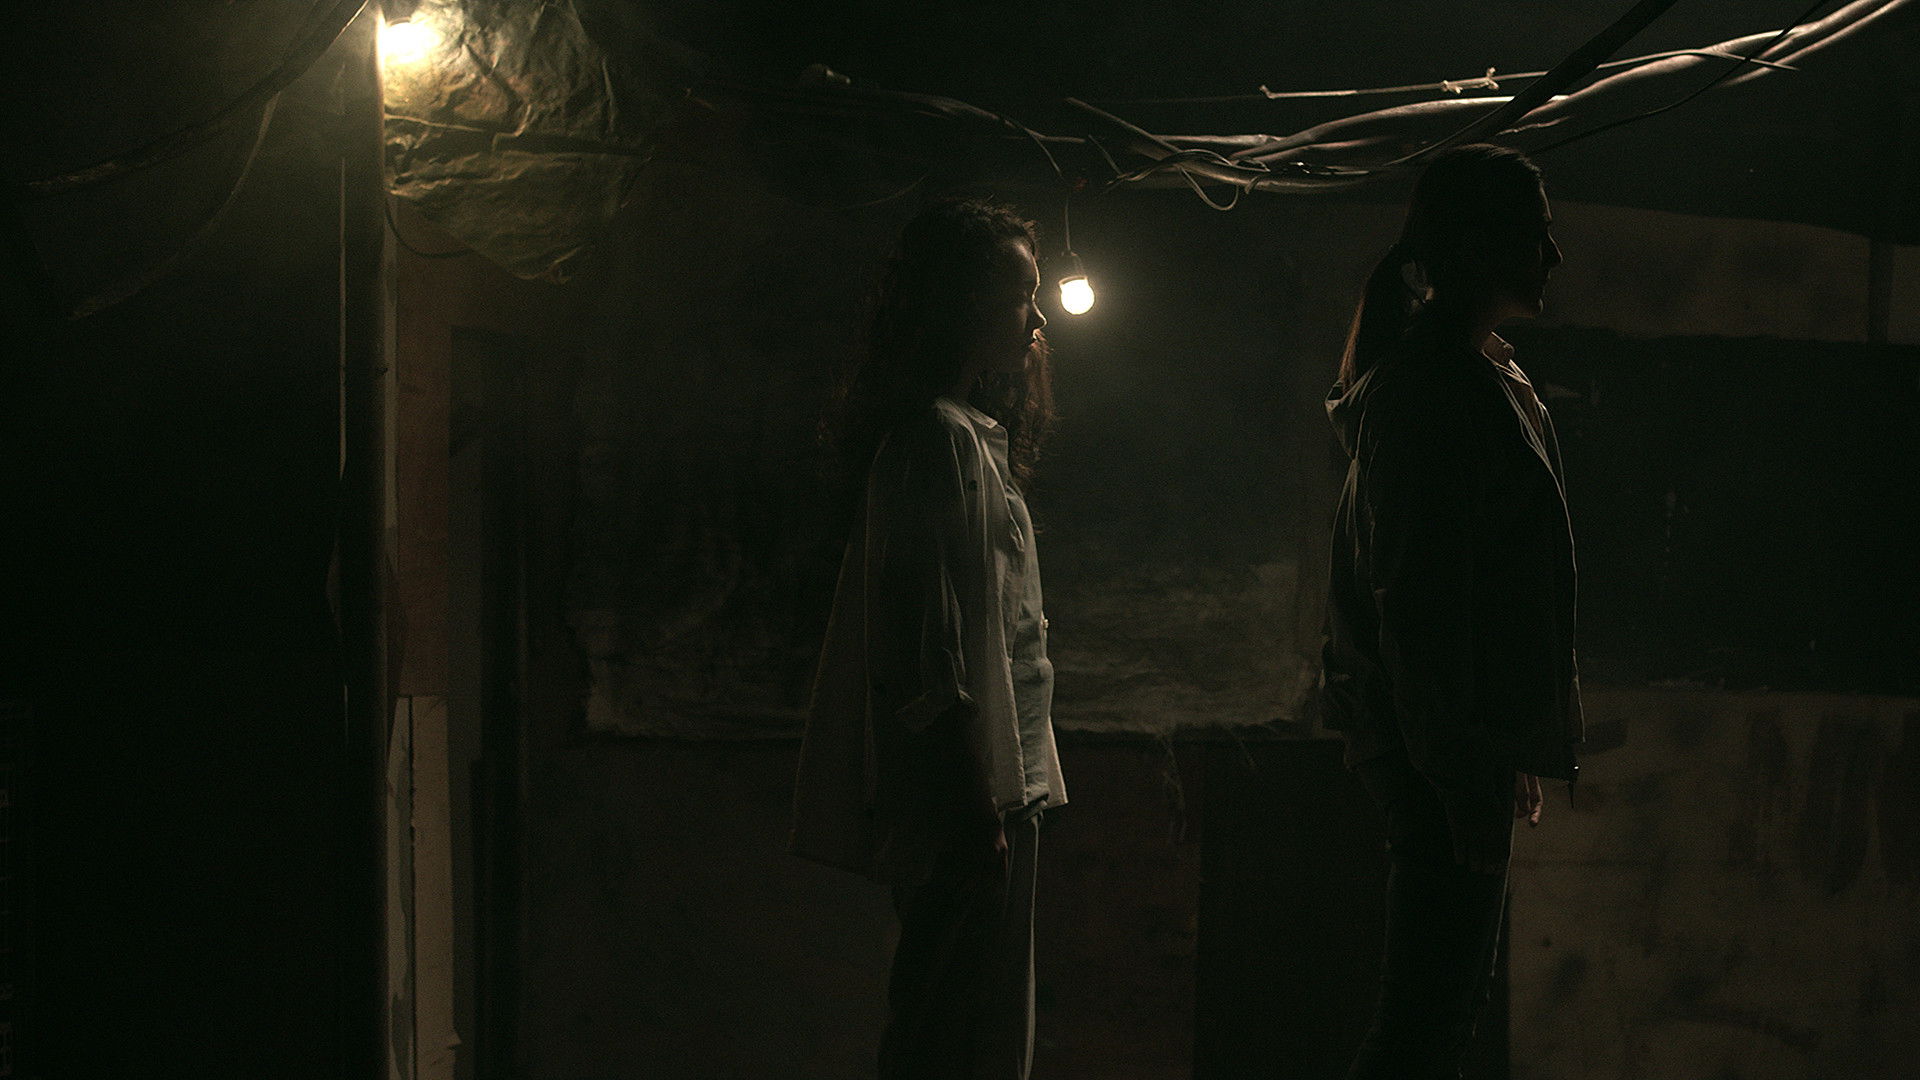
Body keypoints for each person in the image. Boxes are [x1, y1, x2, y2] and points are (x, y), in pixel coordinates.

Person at [1319, 143, 1583, 1079]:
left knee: (1437, 1023)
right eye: (1537, 234)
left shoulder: (1478, 374)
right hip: (1436, 752)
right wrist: (1463, 767)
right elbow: (1420, 601)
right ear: (1479, 244)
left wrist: (1501, 743)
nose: (1553, 255)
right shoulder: (1435, 389)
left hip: (1454, 747)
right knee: (1422, 1033)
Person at [790, 197, 1064, 1080]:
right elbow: (927, 648)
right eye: (1022, 295)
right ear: (966, 304)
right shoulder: (933, 442)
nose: (1038, 317)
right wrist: (972, 803)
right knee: (952, 1030)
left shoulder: (962, 437)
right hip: (968, 794)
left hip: (994, 786)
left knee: (973, 1023)